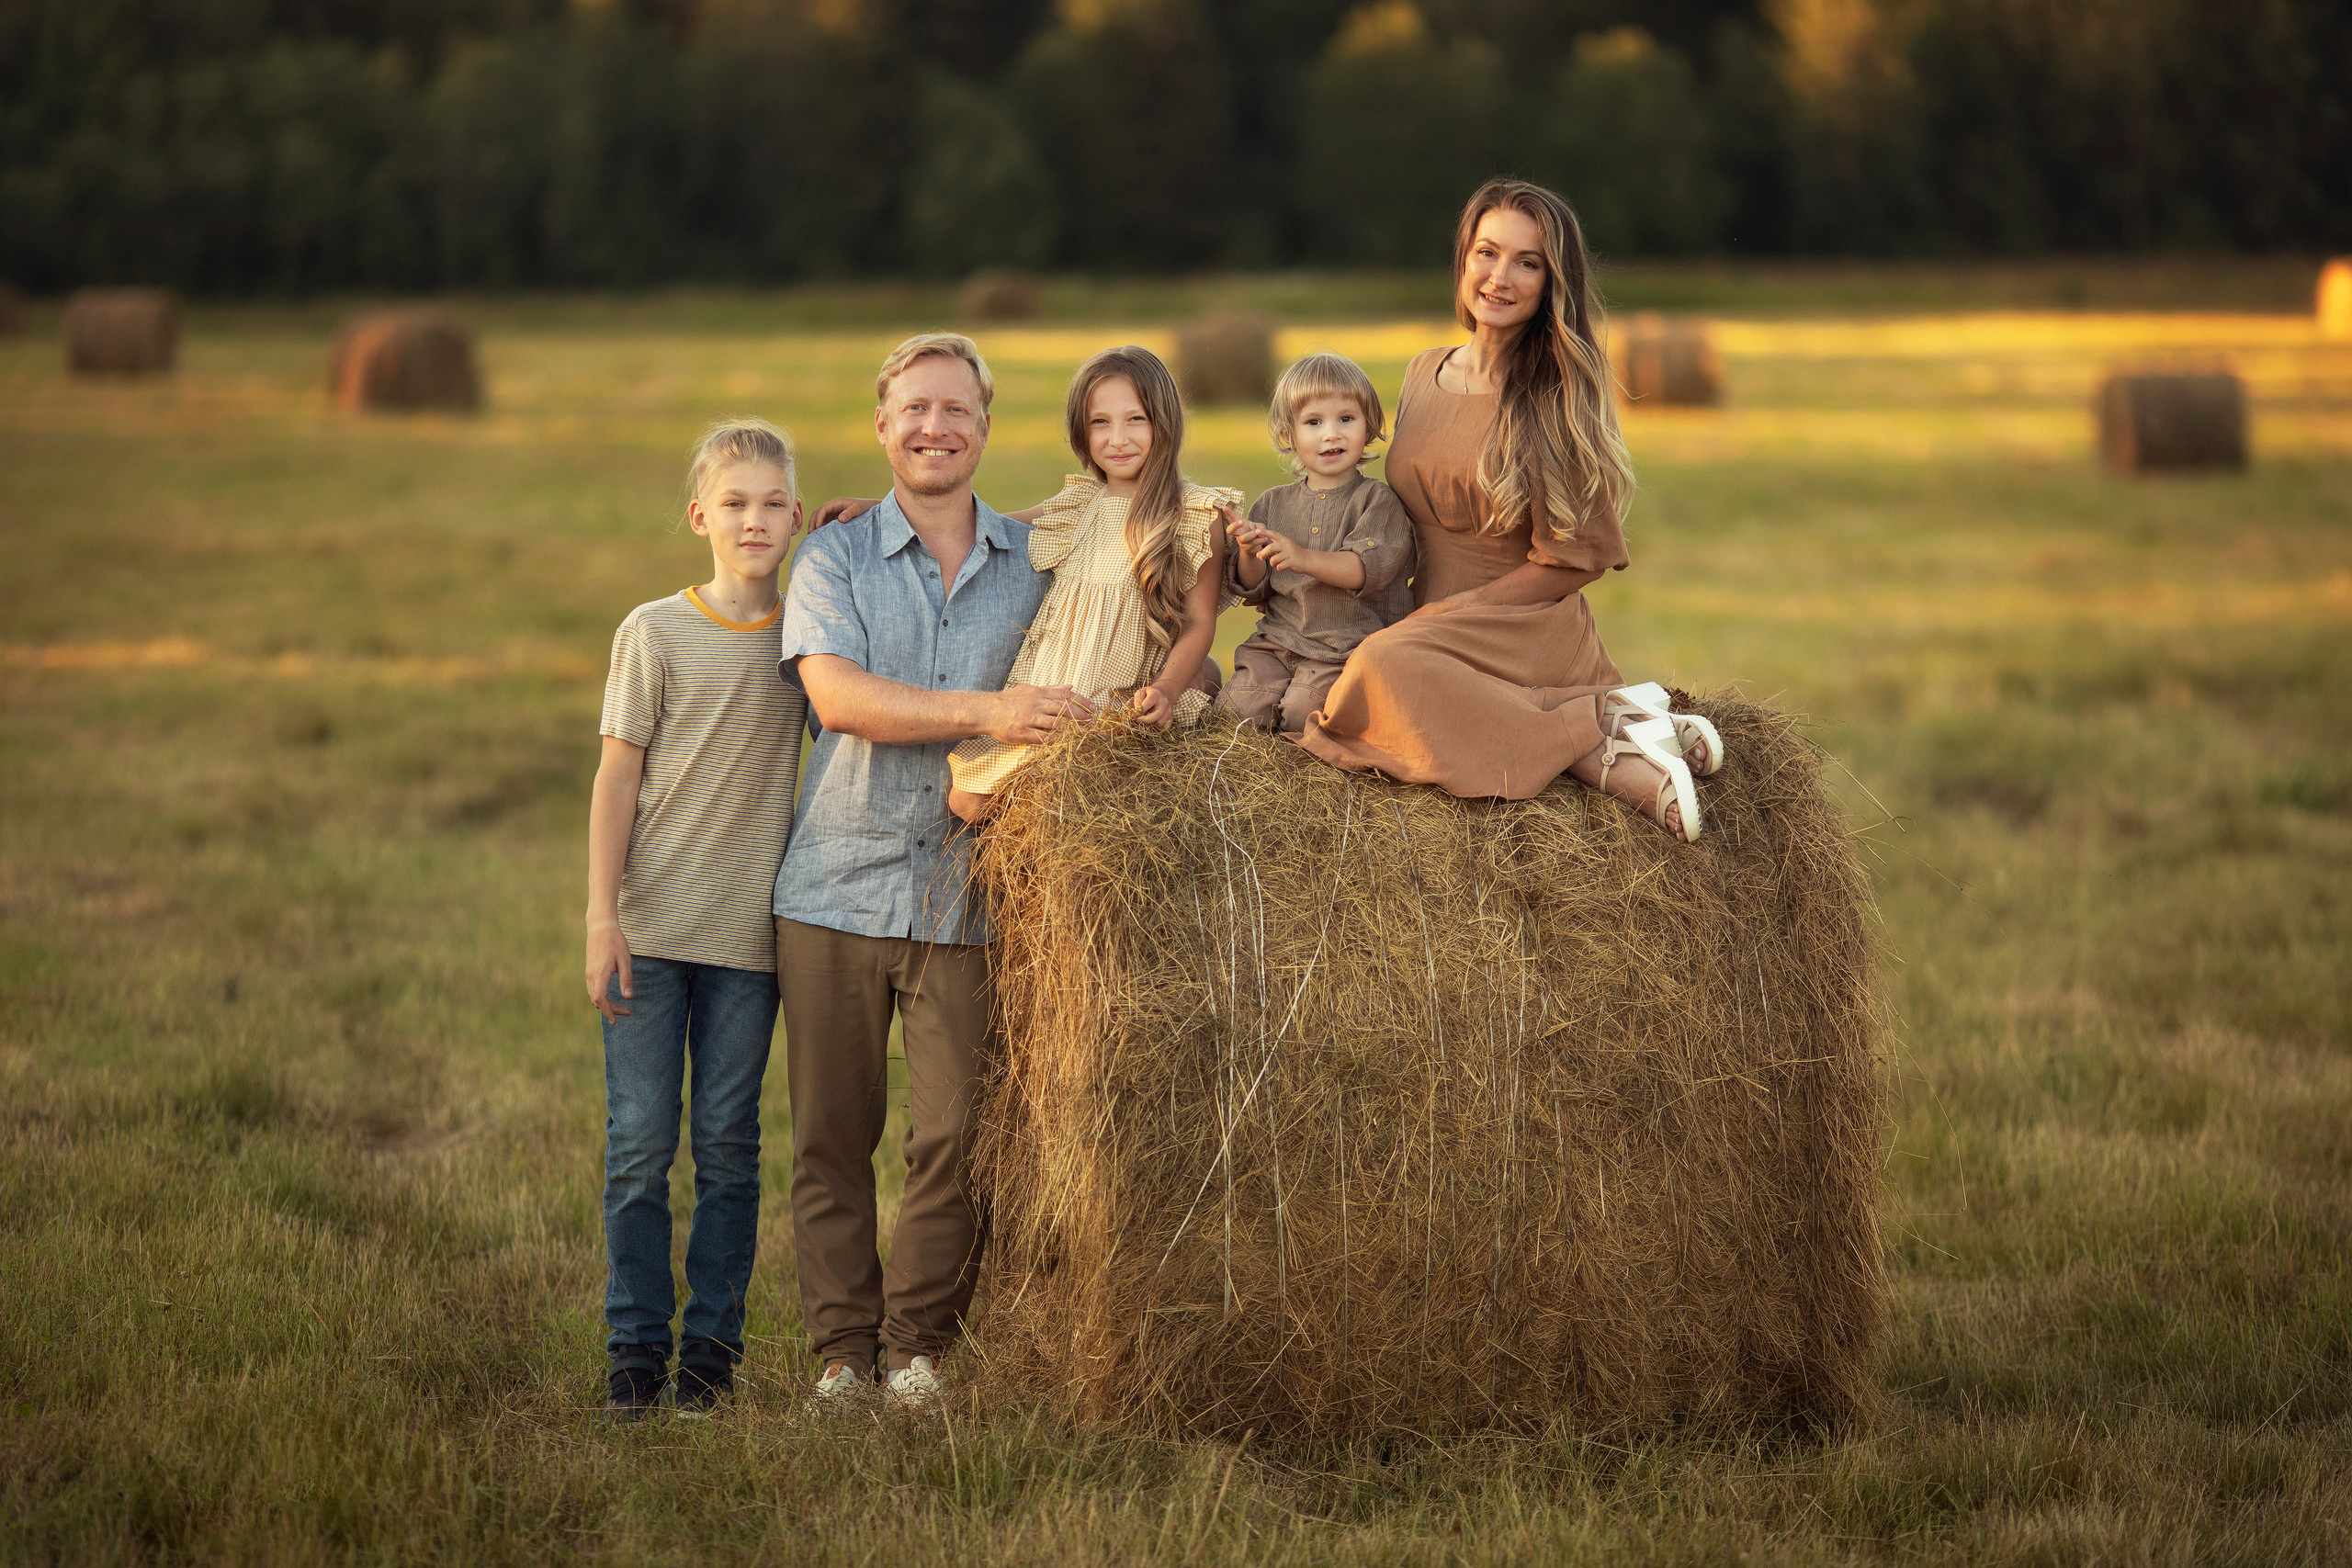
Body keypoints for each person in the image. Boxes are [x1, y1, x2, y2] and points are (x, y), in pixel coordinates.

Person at [775, 333, 1093, 1408]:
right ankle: (839, 1354)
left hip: (970, 896)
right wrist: (988, 712)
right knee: (830, 1134)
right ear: (880, 425)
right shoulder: (833, 558)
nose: (933, 426)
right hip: (836, 885)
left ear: (985, 428)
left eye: (955, 408)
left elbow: (1126, 582)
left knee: (957, 1135)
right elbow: (839, 701)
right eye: (913, 408)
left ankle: (914, 1347)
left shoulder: (1037, 558)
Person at [1295, 179, 1724, 836]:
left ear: (1551, 283)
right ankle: (1620, 719)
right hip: (1428, 621)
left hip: (1521, 626)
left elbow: (1574, 561)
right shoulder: (1420, 373)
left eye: (1528, 263)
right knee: (1370, 667)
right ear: (1464, 257)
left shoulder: (1555, 395)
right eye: (1487, 253)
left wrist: (1462, 609)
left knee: (1379, 668)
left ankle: (1601, 734)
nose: (1500, 277)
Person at [585, 418, 808, 1422]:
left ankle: (711, 1356)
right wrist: (601, 917)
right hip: (650, 931)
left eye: (772, 503)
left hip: (750, 946)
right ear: (699, 517)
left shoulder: (813, 632)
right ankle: (634, 1352)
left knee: (727, 1146)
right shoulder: (654, 630)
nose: (753, 520)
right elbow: (617, 775)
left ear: (797, 517)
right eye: (734, 502)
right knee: (638, 1146)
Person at [944, 344, 1238, 819]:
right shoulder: (1077, 504)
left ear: (1164, 422)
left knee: (1075, 801)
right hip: (1055, 684)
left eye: (1135, 419)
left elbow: (1200, 622)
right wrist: (879, 511)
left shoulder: (1194, 514)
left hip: (1117, 698)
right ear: (1082, 431)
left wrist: (1165, 689)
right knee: (969, 800)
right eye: (1100, 422)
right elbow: (977, 526)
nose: (1117, 439)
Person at [1216, 351, 1414, 735]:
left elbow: (1363, 570)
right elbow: (1254, 585)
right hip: (1277, 642)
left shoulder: (1378, 501)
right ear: (1289, 435)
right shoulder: (1274, 502)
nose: (1331, 434)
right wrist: (1248, 551)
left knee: (1300, 716)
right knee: (1235, 713)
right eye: (1313, 422)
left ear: (1368, 425)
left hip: (1345, 649)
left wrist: (1303, 557)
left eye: (1346, 419)